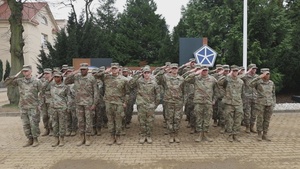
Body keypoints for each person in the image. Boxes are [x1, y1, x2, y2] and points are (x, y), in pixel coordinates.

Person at [4, 65, 42, 147]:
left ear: (31, 71)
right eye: (24, 71)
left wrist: (40, 104)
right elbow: (7, 83)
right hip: (23, 106)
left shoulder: (37, 81)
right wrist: (15, 75)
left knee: (34, 124)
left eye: (27, 71)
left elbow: (42, 93)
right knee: (25, 124)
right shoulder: (20, 81)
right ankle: (29, 139)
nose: (25, 73)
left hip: (33, 106)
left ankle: (35, 139)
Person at [94, 63, 129, 145]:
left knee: (118, 120)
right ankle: (112, 137)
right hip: (109, 102)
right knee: (110, 121)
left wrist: (125, 102)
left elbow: (127, 92)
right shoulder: (106, 77)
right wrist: (106, 71)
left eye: (115, 68)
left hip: (119, 103)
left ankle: (118, 136)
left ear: (119, 69)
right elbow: (95, 76)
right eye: (112, 68)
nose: (114, 70)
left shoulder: (124, 79)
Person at [65, 63, 99, 146]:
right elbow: (66, 81)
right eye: (81, 69)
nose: (83, 71)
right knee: (80, 121)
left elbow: (96, 92)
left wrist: (94, 103)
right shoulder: (77, 77)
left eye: (84, 69)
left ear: (87, 70)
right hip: (78, 103)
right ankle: (81, 137)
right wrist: (73, 72)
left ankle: (88, 137)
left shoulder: (91, 78)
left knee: (88, 121)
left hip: (88, 103)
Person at [185, 66, 217, 142]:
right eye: (203, 70)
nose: (204, 71)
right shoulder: (196, 78)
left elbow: (216, 90)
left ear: (208, 71)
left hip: (208, 102)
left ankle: (205, 134)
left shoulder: (212, 79)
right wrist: (195, 73)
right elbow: (186, 79)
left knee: (207, 118)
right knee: (198, 118)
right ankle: (199, 134)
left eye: (206, 70)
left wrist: (214, 99)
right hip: (198, 102)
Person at [129, 65, 160, 144]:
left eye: (148, 73)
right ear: (143, 73)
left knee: (150, 122)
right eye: (145, 73)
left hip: (150, 106)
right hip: (141, 105)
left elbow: (158, 95)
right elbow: (131, 84)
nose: (146, 74)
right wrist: (138, 75)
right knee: (142, 121)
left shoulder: (154, 83)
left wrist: (155, 105)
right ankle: (143, 135)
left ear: (150, 73)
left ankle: (148, 136)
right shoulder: (139, 81)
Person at [156, 63, 184, 143]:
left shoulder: (181, 79)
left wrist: (183, 101)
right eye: (173, 68)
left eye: (176, 68)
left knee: (177, 119)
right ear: (170, 69)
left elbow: (183, 90)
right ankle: (171, 135)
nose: (174, 70)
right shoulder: (165, 77)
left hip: (178, 102)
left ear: (178, 69)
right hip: (169, 101)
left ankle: (176, 135)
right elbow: (157, 78)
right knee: (169, 119)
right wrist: (164, 70)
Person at [218, 65, 244, 142]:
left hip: (238, 103)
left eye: (236, 71)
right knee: (229, 120)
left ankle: (235, 134)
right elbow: (219, 82)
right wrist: (227, 75)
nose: (235, 72)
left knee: (238, 120)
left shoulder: (241, 81)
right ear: (231, 71)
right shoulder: (227, 80)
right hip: (229, 103)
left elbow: (241, 92)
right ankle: (230, 135)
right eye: (233, 71)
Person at [250, 68, 276, 141]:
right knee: (260, 119)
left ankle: (265, 134)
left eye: (268, 74)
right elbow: (250, 84)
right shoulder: (258, 82)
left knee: (267, 120)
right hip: (260, 103)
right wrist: (258, 77)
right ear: (262, 75)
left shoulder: (271, 83)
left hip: (269, 103)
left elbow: (273, 94)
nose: (268, 75)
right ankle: (259, 134)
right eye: (266, 74)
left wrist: (273, 103)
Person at [50, 72, 68, 147]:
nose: (56, 78)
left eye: (57, 77)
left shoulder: (65, 87)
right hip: (53, 107)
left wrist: (67, 107)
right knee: (54, 124)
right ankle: (56, 138)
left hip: (62, 107)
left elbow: (68, 97)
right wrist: (49, 79)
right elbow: (43, 88)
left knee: (62, 124)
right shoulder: (51, 85)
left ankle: (62, 138)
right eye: (54, 77)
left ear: (61, 77)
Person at [240, 64, 259, 133]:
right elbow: (238, 78)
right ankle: (247, 127)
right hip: (247, 97)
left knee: (254, 113)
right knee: (247, 113)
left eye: (255, 69)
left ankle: (252, 126)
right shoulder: (245, 77)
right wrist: (247, 72)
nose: (254, 70)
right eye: (253, 69)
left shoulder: (257, 77)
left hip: (255, 97)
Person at [40, 68, 54, 136]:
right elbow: (41, 89)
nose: (46, 75)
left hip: (51, 100)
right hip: (43, 101)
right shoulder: (41, 81)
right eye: (45, 73)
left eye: (47, 73)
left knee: (51, 116)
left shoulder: (54, 81)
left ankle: (51, 129)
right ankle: (46, 129)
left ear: (51, 74)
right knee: (44, 116)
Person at [64, 67, 78, 136]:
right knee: (67, 117)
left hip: (73, 102)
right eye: (67, 72)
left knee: (74, 116)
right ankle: (68, 129)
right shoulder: (65, 82)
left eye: (70, 72)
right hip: (66, 102)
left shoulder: (75, 82)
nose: (68, 73)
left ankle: (74, 129)